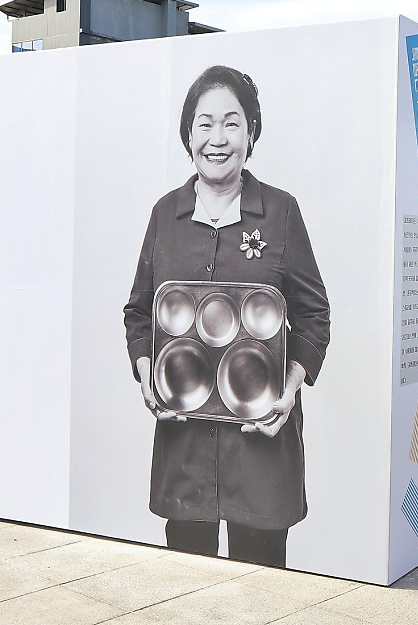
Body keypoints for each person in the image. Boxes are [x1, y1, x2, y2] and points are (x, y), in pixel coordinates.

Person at [123, 65, 331, 568]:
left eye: (232, 123)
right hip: (186, 441)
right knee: (187, 589)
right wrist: (147, 374)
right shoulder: (164, 216)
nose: (218, 139)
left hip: (259, 444)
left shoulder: (281, 212)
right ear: (188, 134)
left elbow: (313, 315)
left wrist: (291, 387)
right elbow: (138, 312)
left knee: (258, 592)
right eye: (205, 123)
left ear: (252, 132)